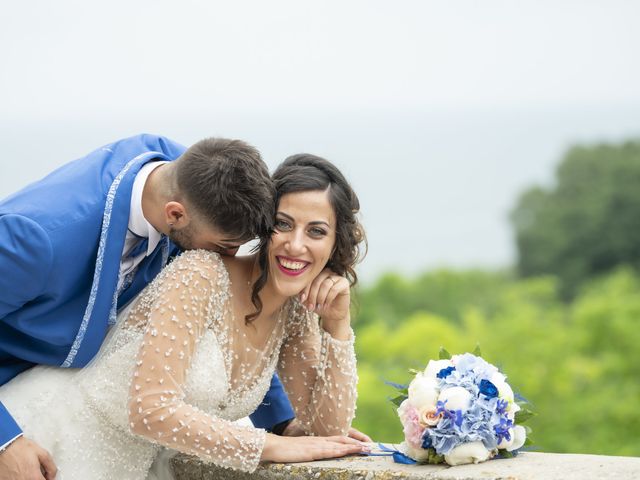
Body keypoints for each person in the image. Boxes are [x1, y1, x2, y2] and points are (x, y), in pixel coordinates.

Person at [0, 152, 368, 478]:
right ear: (262, 225)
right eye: (283, 224)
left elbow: (326, 434)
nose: (296, 244)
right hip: (49, 443)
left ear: (335, 242)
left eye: (316, 231)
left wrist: (337, 325)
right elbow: (148, 411)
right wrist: (267, 446)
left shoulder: (296, 313)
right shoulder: (200, 272)